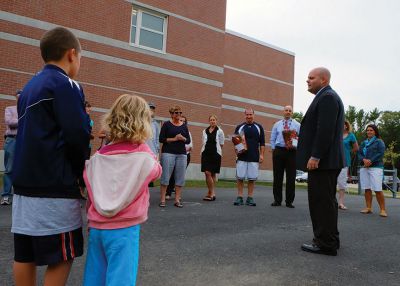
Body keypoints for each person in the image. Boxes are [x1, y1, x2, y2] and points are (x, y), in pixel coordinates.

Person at [11, 27, 90, 285]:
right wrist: (80, 174)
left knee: (25, 254)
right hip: (54, 184)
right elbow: (77, 134)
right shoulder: (66, 84)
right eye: (80, 58)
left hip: (24, 185)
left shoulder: (30, 85)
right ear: (71, 54)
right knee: (62, 254)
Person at [83, 94, 162, 286]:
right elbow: (155, 170)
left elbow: (90, 187)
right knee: (121, 278)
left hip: (97, 226)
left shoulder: (99, 157)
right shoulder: (143, 155)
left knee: (94, 275)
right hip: (125, 228)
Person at [297, 67, 344, 256]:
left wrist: (315, 156)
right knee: (327, 202)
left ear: (323, 80)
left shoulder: (327, 97)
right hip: (328, 161)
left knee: (321, 202)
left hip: (324, 161)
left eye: (311, 78)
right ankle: (330, 239)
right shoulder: (327, 96)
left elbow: (325, 131)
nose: (307, 81)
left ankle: (325, 243)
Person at [159, 106, 190, 208]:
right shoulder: (166, 124)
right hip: (168, 153)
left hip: (181, 154)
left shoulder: (184, 126)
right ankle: (163, 199)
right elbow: (161, 139)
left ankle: (177, 199)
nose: (178, 114)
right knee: (166, 176)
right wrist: (175, 139)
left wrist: (183, 138)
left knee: (180, 177)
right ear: (171, 114)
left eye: (180, 113)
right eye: (176, 113)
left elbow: (188, 140)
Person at [233, 108, 265, 207]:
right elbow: (235, 142)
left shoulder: (259, 127)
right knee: (240, 178)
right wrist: (236, 152)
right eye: (247, 114)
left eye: (250, 114)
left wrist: (262, 155)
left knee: (251, 179)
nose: (249, 116)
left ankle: (250, 198)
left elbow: (262, 143)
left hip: (254, 157)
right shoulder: (239, 127)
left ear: (253, 115)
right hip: (242, 156)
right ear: (244, 115)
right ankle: (240, 197)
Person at [270, 105, 301, 208]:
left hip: (292, 152)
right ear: (283, 112)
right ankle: (277, 200)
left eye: (290, 110)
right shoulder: (277, 124)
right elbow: (272, 139)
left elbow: (301, 138)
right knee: (277, 176)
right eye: (286, 110)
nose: (288, 112)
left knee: (291, 177)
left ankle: (289, 201)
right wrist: (274, 149)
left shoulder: (297, 125)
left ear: (292, 113)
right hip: (279, 151)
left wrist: (295, 144)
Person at [358, 124, 387, 217]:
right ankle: (368, 208)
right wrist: (363, 160)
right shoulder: (363, 143)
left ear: (375, 132)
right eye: (367, 130)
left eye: (371, 130)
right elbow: (359, 153)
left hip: (376, 167)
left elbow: (380, 153)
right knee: (367, 188)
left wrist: (370, 160)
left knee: (378, 189)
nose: (369, 132)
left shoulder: (379, 142)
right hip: (365, 167)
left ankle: (383, 210)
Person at [1, 90, 20, 205]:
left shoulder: (27, 110)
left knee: (24, 168)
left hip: (24, 141)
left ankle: (20, 195)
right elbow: (9, 122)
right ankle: (6, 195)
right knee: (9, 169)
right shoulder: (9, 109)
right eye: (18, 97)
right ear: (16, 98)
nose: (20, 99)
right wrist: (23, 120)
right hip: (12, 140)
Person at [166, 115, 192, 198]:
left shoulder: (187, 132)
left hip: (184, 155)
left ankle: (178, 195)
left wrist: (183, 140)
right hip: (173, 154)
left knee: (179, 175)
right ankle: (168, 192)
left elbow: (190, 146)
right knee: (172, 174)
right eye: (181, 120)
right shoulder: (173, 130)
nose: (182, 122)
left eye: (184, 121)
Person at [201, 115, 225, 201]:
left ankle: (210, 193)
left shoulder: (220, 131)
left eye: (214, 120)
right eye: (211, 120)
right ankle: (212, 192)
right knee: (207, 173)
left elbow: (222, 143)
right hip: (206, 154)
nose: (212, 121)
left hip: (215, 154)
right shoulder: (204, 131)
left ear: (216, 121)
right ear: (209, 121)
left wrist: (217, 152)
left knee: (213, 173)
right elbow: (203, 142)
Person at [337, 120, 359, 210]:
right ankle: (330, 202)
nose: (342, 126)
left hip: (344, 161)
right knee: (331, 182)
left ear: (346, 126)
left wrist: (347, 152)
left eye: (343, 124)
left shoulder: (351, 135)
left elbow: (356, 148)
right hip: (333, 160)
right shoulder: (336, 134)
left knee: (342, 183)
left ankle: (341, 203)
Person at [146, 102, 160, 187]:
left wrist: (157, 150)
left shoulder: (155, 124)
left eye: (153, 109)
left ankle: (150, 181)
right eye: (150, 109)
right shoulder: (142, 121)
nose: (152, 111)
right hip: (143, 149)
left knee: (151, 167)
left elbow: (157, 138)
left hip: (153, 150)